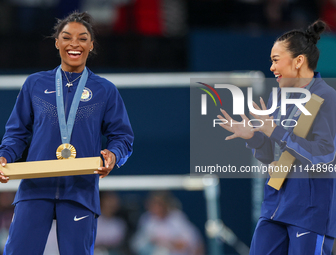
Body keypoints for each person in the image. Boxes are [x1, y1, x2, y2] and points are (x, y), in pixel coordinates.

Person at [0, 11, 134, 255]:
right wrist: (5, 157)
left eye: (82, 38)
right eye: (67, 37)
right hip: (35, 187)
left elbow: (123, 137)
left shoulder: (104, 90)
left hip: (80, 189)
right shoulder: (35, 84)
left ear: (91, 45)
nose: (74, 43)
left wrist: (113, 155)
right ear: (57, 42)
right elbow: (16, 133)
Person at [218, 20, 336, 254]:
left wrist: (274, 130)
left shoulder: (327, 98)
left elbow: (324, 155)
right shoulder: (278, 98)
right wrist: (253, 137)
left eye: (276, 60)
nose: (271, 68)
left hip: (310, 213)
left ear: (299, 61)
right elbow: (271, 155)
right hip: (274, 206)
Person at [131, 191, 204, 255]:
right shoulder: (147, 219)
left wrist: (167, 243)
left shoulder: (177, 218)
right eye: (153, 205)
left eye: (159, 205)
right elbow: (138, 244)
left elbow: (195, 243)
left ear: (165, 205)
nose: (156, 208)